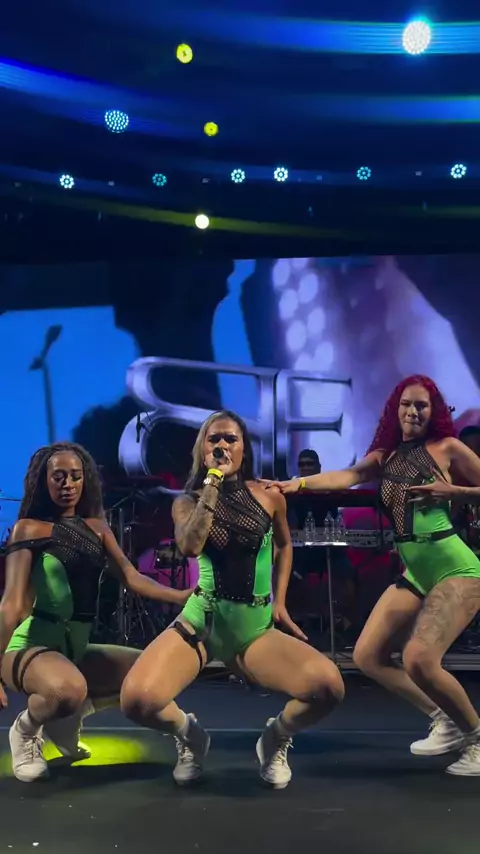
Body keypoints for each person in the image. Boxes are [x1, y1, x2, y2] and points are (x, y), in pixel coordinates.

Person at [266, 376, 480, 776]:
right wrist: (297, 484)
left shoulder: (448, 448)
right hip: (416, 570)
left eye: (421, 405)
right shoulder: (386, 457)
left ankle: (477, 738)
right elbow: (347, 476)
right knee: (367, 655)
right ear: (395, 409)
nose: (413, 412)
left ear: (433, 411)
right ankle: (445, 719)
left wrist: (456, 493)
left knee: (419, 658)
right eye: (406, 404)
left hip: (456, 566)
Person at [120, 410, 345, 789]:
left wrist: (280, 601)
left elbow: (284, 545)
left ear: (244, 449)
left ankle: (276, 737)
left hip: (253, 627)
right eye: (214, 439)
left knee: (328, 688)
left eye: (231, 439)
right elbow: (190, 546)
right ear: (202, 449)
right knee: (137, 701)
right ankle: (188, 734)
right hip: (202, 621)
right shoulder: (187, 502)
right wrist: (212, 482)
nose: (222, 445)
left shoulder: (269, 496)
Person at [0, 442, 193, 783]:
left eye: (75, 476)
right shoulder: (28, 529)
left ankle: (67, 717)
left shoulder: (98, 529)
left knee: (150, 678)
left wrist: (181, 596)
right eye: (59, 477)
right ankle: (26, 731)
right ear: (43, 481)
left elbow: (132, 576)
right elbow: (12, 604)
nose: (68, 484)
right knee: (65, 690)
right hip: (28, 647)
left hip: (74, 650)